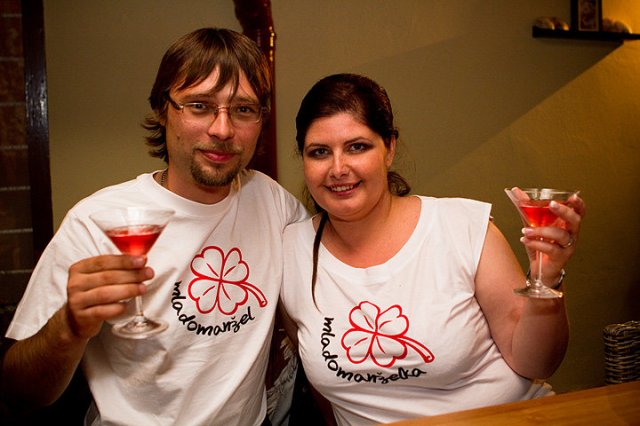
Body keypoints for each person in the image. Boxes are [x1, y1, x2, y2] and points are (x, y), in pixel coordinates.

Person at [1, 28, 307, 425]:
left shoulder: (272, 202)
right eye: (199, 106)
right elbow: (19, 392)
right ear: (163, 110)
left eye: (243, 110)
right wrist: (69, 327)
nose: (222, 129)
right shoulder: (94, 222)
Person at [279, 73, 586, 425]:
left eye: (357, 147)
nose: (338, 169)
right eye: (319, 152)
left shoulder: (462, 226)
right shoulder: (291, 252)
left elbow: (536, 364)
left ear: (389, 148)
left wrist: (546, 278)